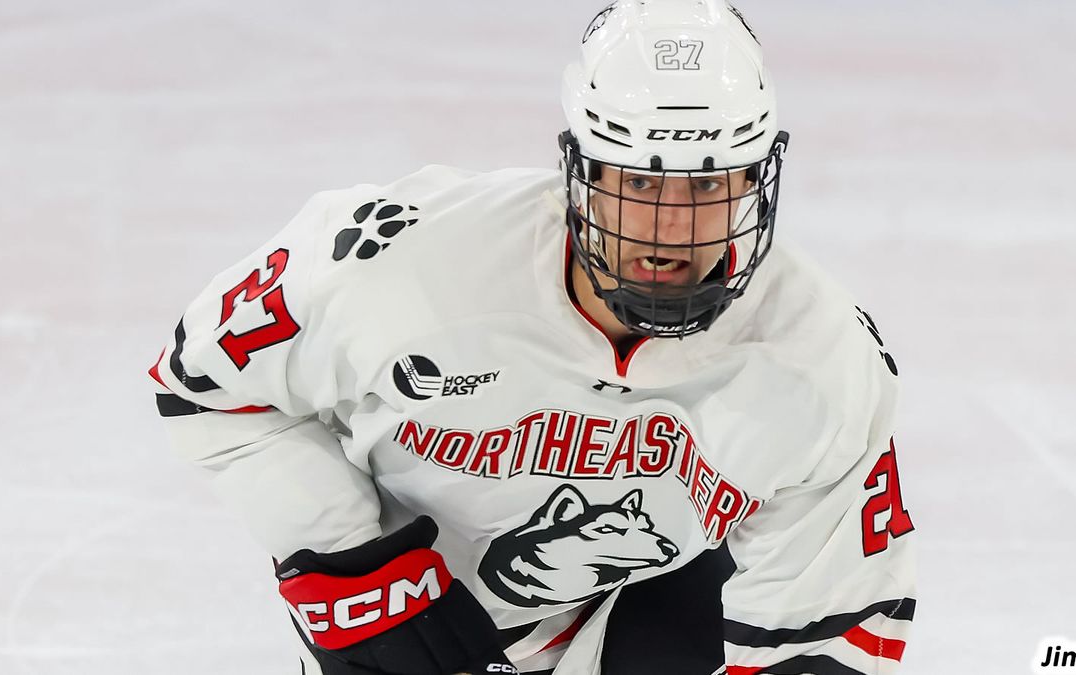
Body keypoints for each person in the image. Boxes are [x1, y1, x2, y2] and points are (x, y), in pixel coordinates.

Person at [149, 2, 917, 673]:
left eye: (708, 183)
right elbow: (205, 383)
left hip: (651, 619)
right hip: (424, 621)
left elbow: (827, 629)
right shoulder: (402, 266)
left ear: (756, 180)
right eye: (641, 181)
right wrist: (359, 571)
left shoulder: (821, 356)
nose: (672, 229)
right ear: (579, 170)